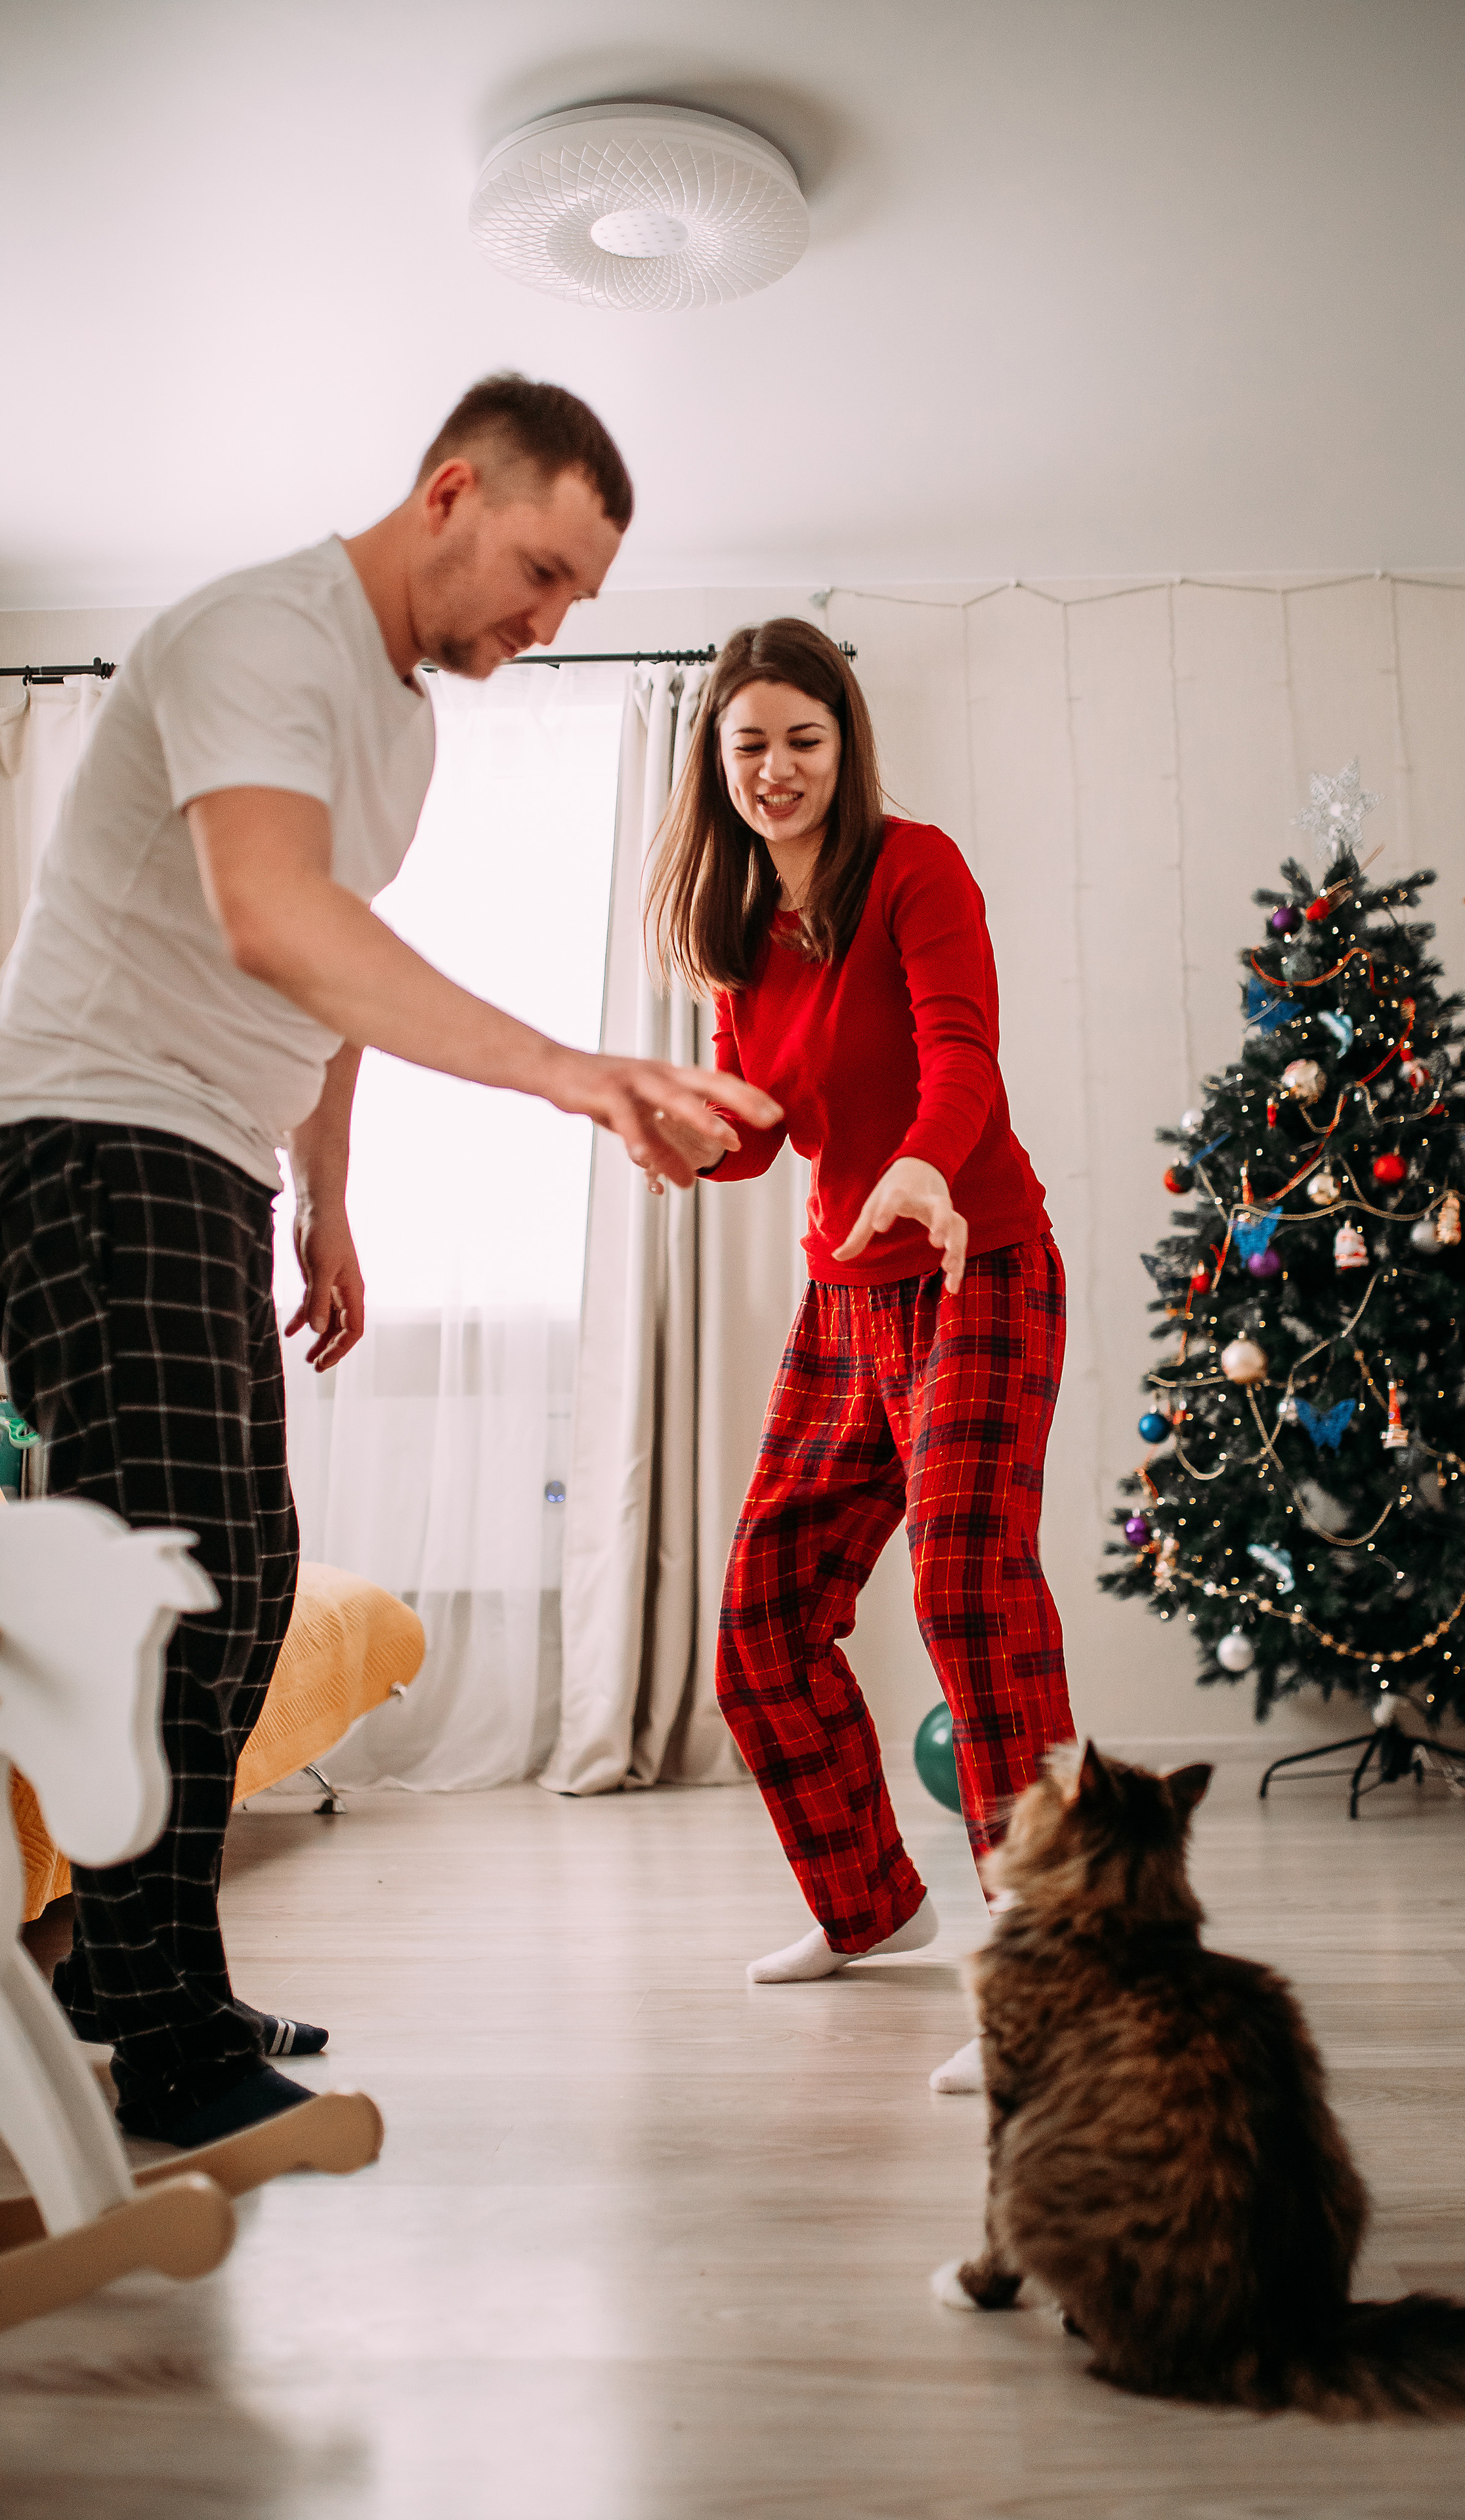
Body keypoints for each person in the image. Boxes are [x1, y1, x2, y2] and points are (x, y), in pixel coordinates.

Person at [0, 374, 778, 2148]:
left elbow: (321, 969)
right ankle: (164, 2033)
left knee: (246, 1572)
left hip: (202, 1156)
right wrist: (583, 1076)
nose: (550, 615)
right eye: (539, 566)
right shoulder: (262, 637)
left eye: (581, 593)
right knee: (181, 1572)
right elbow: (268, 912)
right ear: (447, 493)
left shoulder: (403, 726)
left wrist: (325, 1201)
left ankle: (135, 1975)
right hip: (88, 1136)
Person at [646, 618, 1074, 2093]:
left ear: (846, 746)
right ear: (717, 758)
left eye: (803, 740)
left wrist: (925, 1168)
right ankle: (866, 1903)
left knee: (967, 1582)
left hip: (978, 1267)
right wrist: (685, 1139)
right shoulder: (738, 929)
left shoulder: (915, 868)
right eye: (748, 743)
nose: (775, 770)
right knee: (759, 1620)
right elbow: (756, 1131)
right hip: (844, 1305)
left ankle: (1052, 1982)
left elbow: (961, 1052)